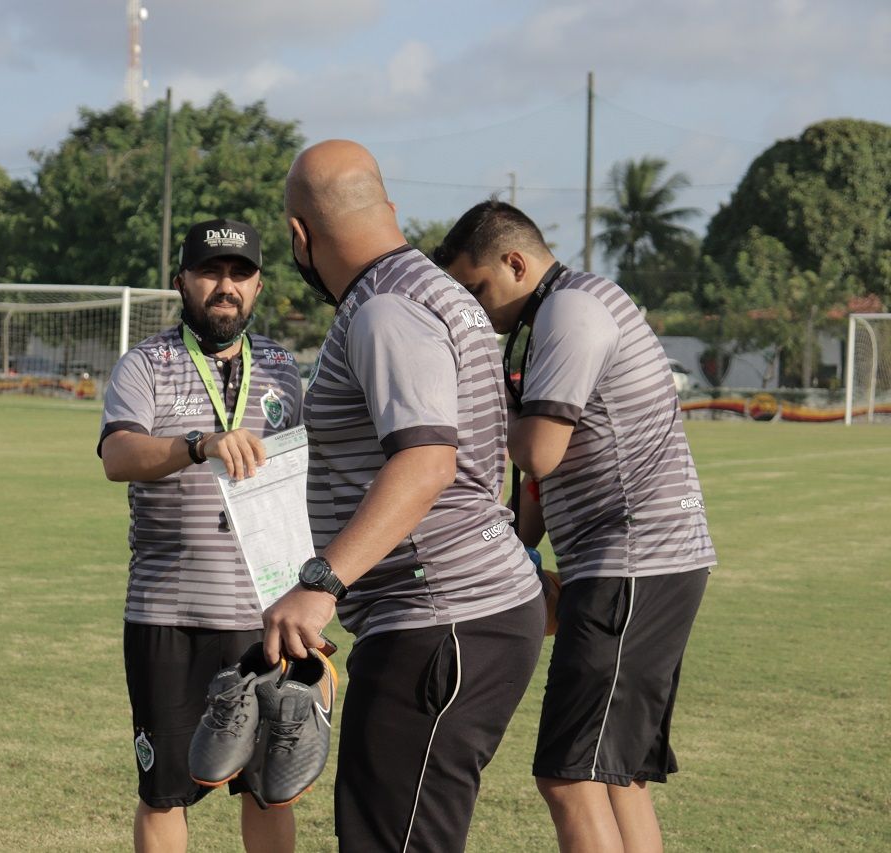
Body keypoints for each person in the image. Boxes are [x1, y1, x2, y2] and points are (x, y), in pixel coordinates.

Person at [263, 141, 546, 851]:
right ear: (386, 206)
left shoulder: (386, 308)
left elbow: (426, 463)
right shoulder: (432, 290)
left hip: (440, 617)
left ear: (300, 236)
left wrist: (324, 582)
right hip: (457, 613)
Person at [434, 200, 717, 853]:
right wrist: (511, 551)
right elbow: (541, 480)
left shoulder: (572, 309)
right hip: (642, 563)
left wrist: (463, 413)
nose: (475, 308)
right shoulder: (555, 314)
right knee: (617, 778)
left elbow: (538, 451)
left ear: (515, 262)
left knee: (567, 775)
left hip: (633, 563)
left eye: (477, 289)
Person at [98, 218, 303, 853]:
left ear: (259, 285)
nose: (226, 286)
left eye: (240, 273)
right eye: (212, 272)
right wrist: (198, 445)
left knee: (270, 787)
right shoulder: (146, 364)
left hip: (264, 612)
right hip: (168, 614)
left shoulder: (283, 368)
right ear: (182, 280)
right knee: (163, 790)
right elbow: (118, 456)